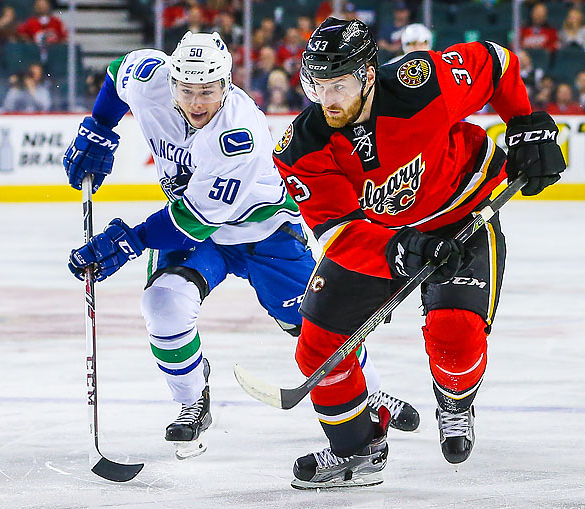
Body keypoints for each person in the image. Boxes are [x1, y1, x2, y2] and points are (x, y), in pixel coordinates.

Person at [62, 31, 420, 460]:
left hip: (264, 231)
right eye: (187, 90)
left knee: (318, 326)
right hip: (202, 232)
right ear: (171, 81)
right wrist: (99, 128)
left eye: (208, 92)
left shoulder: (239, 132)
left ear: (226, 85)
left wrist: (129, 241)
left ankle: (371, 393)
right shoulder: (149, 79)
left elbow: (189, 223)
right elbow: (119, 73)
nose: (197, 103)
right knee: (162, 302)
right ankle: (192, 399)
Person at [273, 17, 565, 489]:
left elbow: (496, 61)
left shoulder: (421, 84)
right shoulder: (301, 145)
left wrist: (526, 124)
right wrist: (401, 251)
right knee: (318, 347)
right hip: (384, 240)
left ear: (368, 74)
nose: (327, 100)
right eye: (317, 85)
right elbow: (338, 231)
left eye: (339, 85)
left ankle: (454, 400)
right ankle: (357, 450)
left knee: (456, 337)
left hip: (462, 208)